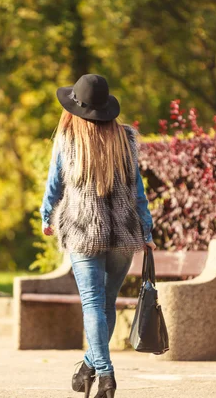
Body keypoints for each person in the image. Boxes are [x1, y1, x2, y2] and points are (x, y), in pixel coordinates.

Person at [40, 74, 155, 398]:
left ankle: (105, 375)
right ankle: (89, 367)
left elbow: (54, 186)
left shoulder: (67, 139)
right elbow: (138, 191)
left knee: (93, 305)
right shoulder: (126, 139)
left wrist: (47, 217)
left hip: (82, 228)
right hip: (124, 231)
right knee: (106, 305)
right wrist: (146, 230)